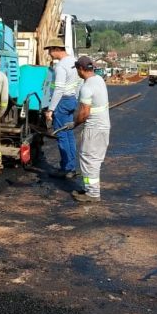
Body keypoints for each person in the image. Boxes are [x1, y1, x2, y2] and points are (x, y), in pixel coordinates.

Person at [71, 56, 110, 203]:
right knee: (93, 160)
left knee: (89, 160)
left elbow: (85, 113)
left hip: (93, 129)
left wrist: (74, 123)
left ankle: (93, 193)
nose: (77, 72)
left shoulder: (86, 87)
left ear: (81, 69)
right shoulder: (99, 80)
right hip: (103, 126)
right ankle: (89, 188)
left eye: (77, 69)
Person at [44, 37, 81, 179]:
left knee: (61, 135)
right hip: (71, 100)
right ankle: (71, 166)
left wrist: (51, 109)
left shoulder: (60, 66)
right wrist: (75, 99)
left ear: (56, 49)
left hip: (62, 102)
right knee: (69, 134)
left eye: (50, 51)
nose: (49, 54)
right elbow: (78, 83)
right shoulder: (74, 61)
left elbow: (58, 89)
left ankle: (67, 168)